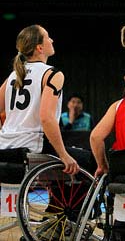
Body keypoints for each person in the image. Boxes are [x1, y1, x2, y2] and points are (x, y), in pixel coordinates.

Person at [0, 25, 94, 175]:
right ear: (39, 48)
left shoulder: (14, 74)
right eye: (47, 37)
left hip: (5, 145)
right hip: (32, 144)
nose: (52, 40)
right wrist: (64, 155)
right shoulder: (51, 74)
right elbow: (46, 118)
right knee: (89, 160)